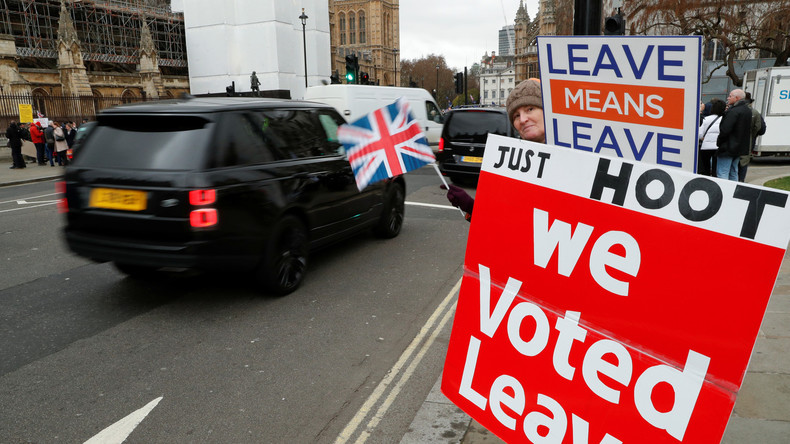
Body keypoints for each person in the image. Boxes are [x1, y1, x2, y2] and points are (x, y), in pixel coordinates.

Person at [442, 78, 545, 218]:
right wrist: (471, 207)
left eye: (530, 109)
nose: (522, 119)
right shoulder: (511, 163)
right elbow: (502, 218)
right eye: (516, 115)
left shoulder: (575, 157)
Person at [716, 89, 752, 181]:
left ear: (737, 98)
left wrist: (719, 142)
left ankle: (724, 193)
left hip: (728, 147)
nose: (728, 98)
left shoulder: (733, 111)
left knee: (722, 173)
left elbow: (725, 130)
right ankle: (732, 192)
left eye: (730, 96)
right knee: (733, 172)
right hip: (739, 148)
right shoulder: (747, 110)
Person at [738, 92, 766, 182]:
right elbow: (760, 128)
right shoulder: (755, 112)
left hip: (736, 141)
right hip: (749, 142)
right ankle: (741, 182)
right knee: (744, 163)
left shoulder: (735, 110)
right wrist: (752, 135)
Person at [697, 98, 725, 176]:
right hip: (718, 146)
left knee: (706, 167)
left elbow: (699, 134)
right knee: (716, 168)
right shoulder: (725, 119)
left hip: (706, 147)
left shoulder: (706, 119)